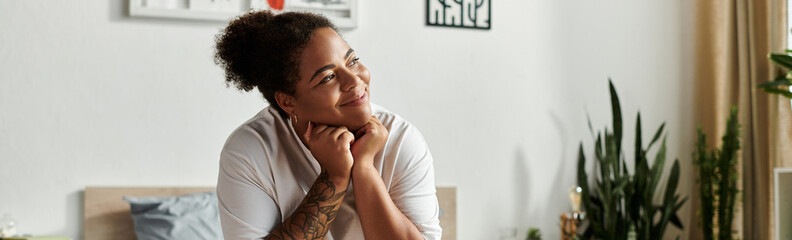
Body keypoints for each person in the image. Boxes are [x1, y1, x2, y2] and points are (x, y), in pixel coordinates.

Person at [214, 10, 442, 240]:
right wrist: (335, 176)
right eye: (327, 78)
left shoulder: (400, 139)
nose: (355, 80)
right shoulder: (250, 151)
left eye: (352, 61)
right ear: (287, 101)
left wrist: (364, 167)